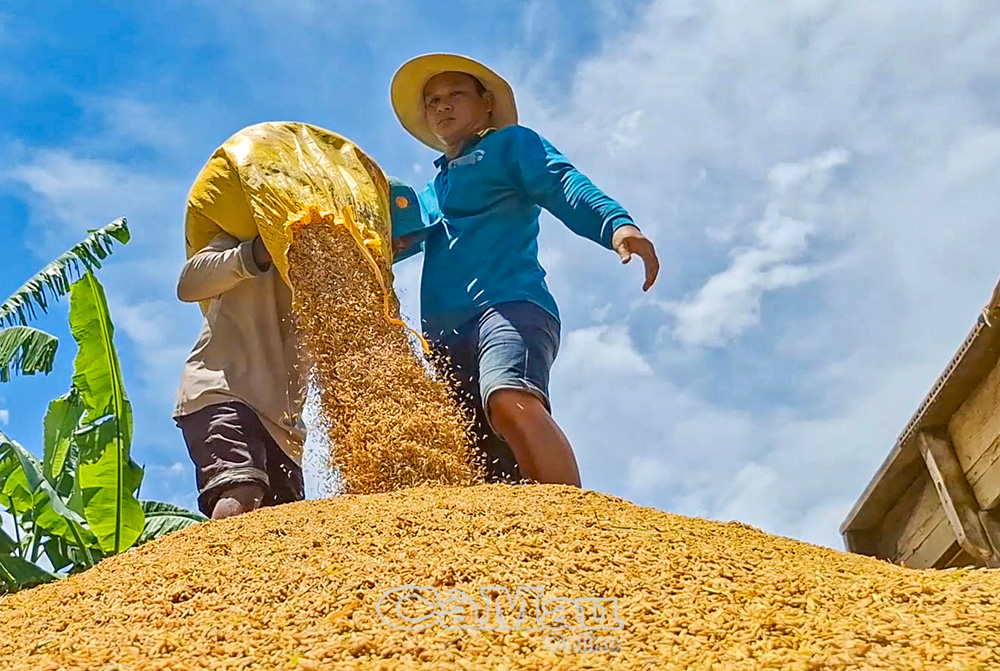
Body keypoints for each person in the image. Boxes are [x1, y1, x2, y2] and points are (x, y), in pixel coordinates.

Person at [389, 53, 660, 488]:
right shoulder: (429, 193)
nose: (442, 105)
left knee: (509, 396)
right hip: (443, 335)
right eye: (433, 100)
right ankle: (509, 546)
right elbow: (391, 241)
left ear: (487, 103)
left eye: (455, 94)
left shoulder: (510, 146)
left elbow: (560, 181)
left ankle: (573, 519)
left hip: (508, 305)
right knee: (476, 454)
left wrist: (615, 224)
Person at [174, 171, 418, 519]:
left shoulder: (344, 295)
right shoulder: (255, 233)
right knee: (241, 490)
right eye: (388, 237)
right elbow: (189, 283)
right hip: (224, 391)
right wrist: (256, 253)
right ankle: (215, 568)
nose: (392, 250)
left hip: (285, 429)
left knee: (282, 523)